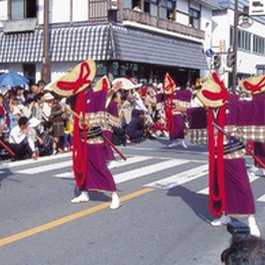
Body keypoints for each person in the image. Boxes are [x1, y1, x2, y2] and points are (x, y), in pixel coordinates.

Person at [176, 72, 264, 237]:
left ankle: (252, 221)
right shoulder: (210, 111)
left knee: (242, 185)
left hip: (233, 154)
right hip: (216, 155)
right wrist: (183, 109)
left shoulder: (234, 107)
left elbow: (257, 110)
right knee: (220, 184)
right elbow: (197, 114)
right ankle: (226, 214)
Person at [50, 59, 123, 209]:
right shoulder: (75, 98)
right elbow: (69, 108)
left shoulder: (93, 94)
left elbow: (104, 95)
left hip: (93, 136)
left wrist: (112, 90)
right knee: (82, 165)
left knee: (99, 165)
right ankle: (84, 192)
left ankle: (114, 194)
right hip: (80, 137)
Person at [240, 75, 265, 177]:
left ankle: (261, 166)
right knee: (258, 145)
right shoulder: (258, 97)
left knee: (261, 145)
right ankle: (259, 165)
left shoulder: (259, 98)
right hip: (259, 123)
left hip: (260, 123)